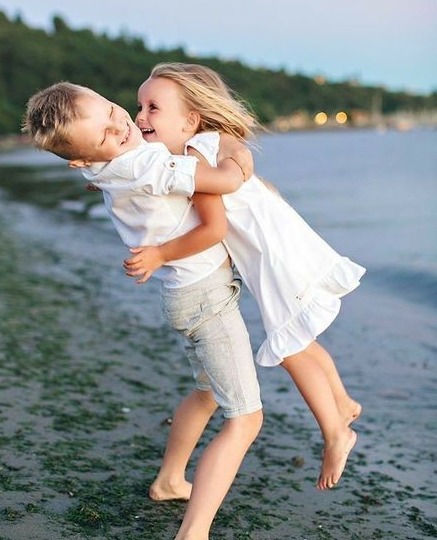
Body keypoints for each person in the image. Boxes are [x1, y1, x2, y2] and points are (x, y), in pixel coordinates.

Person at [22, 81, 263, 540]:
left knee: (206, 392)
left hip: (183, 299)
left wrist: (104, 159)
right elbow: (221, 183)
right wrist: (236, 153)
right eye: (109, 133)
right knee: (246, 418)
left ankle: (171, 479)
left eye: (114, 112)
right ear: (83, 158)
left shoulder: (105, 163)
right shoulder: (147, 164)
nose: (123, 126)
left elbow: (108, 161)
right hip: (206, 299)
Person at [125, 62, 366, 492]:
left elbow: (214, 225)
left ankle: (334, 432)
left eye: (152, 108)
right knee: (300, 336)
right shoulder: (198, 150)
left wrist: (161, 253)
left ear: (190, 119)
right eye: (139, 106)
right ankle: (342, 402)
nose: (140, 116)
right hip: (280, 246)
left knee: (290, 344)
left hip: (273, 255)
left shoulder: (197, 159)